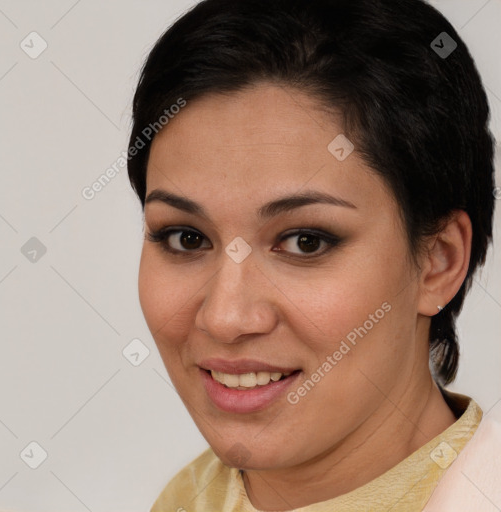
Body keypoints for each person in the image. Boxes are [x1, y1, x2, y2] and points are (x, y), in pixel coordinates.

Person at [126, 0, 500, 510]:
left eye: (306, 241)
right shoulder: (190, 499)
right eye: (186, 238)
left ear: (439, 261)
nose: (226, 317)